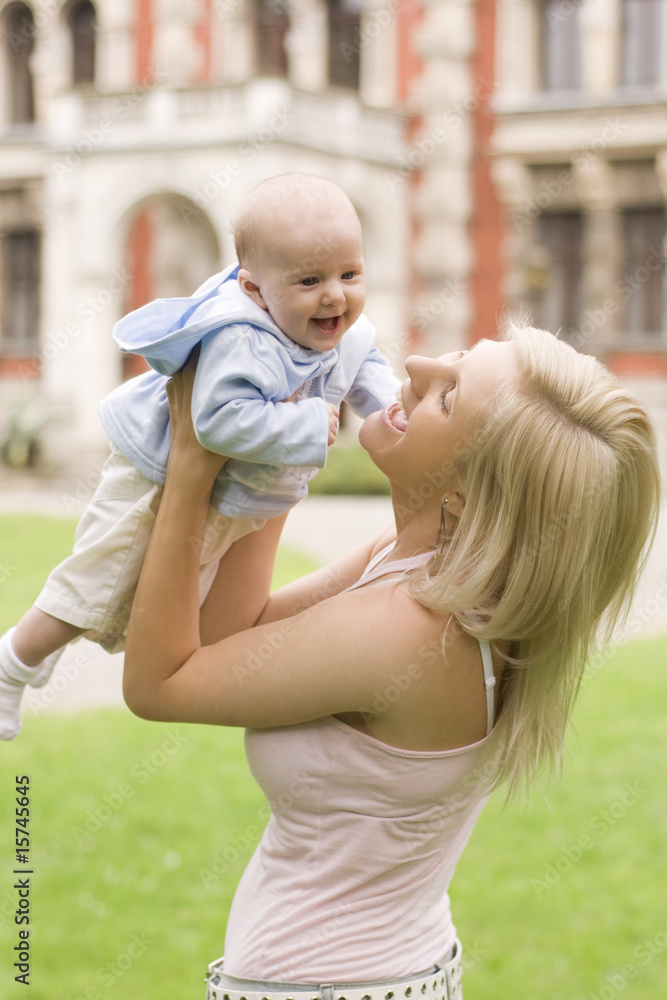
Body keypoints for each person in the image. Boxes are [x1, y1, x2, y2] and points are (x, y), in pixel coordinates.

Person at [121, 322, 660, 995]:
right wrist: (278, 453)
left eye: (447, 396)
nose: (417, 364)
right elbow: (237, 633)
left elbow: (162, 682)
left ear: (466, 500)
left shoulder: (409, 632)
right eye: (458, 356)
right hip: (394, 970)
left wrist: (190, 465)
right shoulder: (428, 569)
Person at [0, 173, 401, 740]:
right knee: (100, 581)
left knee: (149, 597)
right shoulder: (243, 338)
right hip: (150, 476)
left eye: (349, 274)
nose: (335, 295)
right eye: (310, 280)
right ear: (255, 290)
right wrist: (308, 424)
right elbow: (214, 420)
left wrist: (396, 409)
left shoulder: (338, 328)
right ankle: (14, 659)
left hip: (213, 493)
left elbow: (366, 367)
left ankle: (42, 652)